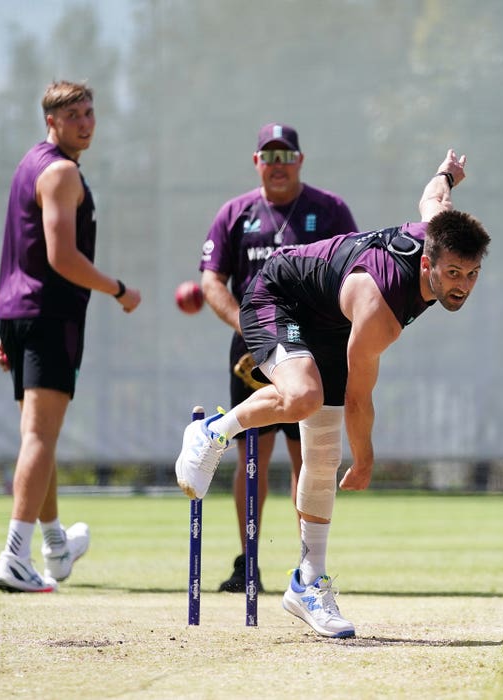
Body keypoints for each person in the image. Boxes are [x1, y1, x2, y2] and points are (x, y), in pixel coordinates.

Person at [176, 148, 490, 637]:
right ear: (428, 261)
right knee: (304, 398)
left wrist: (447, 172)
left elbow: (434, 194)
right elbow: (361, 400)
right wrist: (364, 459)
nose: (462, 287)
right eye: (452, 274)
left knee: (320, 451)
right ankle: (212, 431)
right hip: (278, 295)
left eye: (471, 275)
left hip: (327, 317)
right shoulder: (380, 309)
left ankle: (306, 582)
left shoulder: (440, 228)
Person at [0, 80, 141, 593]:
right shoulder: (60, 172)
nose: (85, 122)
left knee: (39, 436)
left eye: (89, 112)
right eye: (73, 114)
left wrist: (7, 328)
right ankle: (13, 556)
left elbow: (20, 250)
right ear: (50, 122)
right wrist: (118, 288)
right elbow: (62, 258)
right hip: (49, 316)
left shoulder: (29, 163)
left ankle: (54, 544)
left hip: (18, 313)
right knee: (39, 437)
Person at [198, 123, 357, 592]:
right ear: (256, 162)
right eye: (269, 156)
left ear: (300, 160)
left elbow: (353, 271)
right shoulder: (236, 213)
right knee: (251, 452)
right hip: (252, 345)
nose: (278, 165)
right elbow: (211, 282)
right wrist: (251, 332)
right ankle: (248, 560)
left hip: (314, 346)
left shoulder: (328, 210)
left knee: (308, 453)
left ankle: (306, 564)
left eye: (286, 156)